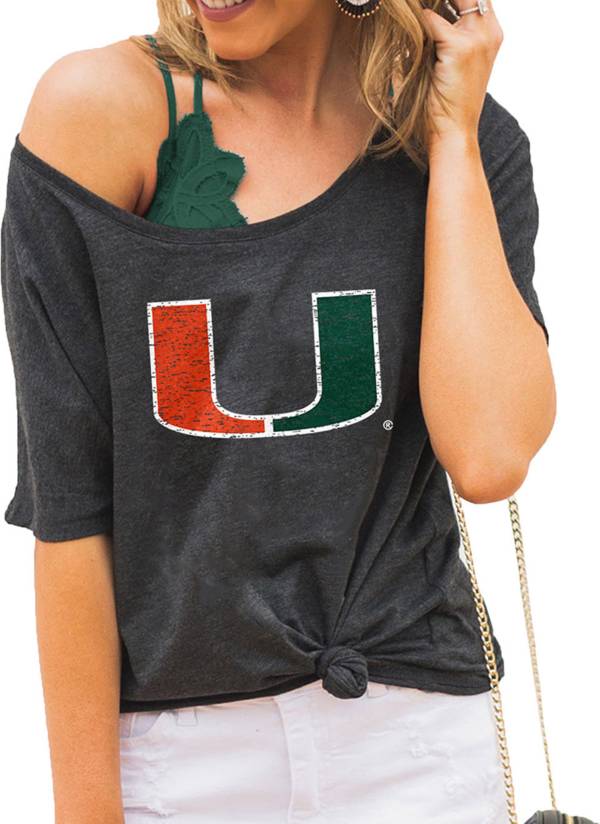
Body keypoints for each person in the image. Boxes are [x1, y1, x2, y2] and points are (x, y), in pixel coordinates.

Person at [0, 0, 555, 822]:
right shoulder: (98, 113)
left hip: (420, 743)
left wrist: (454, 141)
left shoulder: (458, 135)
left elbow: (489, 456)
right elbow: (70, 508)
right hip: (179, 760)